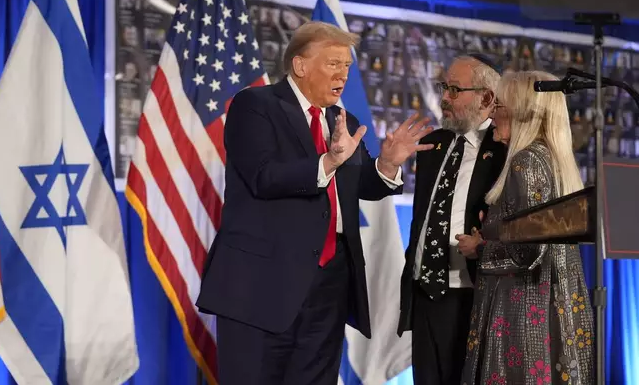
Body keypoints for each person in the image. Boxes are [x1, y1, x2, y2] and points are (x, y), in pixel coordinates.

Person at [195, 21, 433, 385]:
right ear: (301, 65)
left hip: (330, 284)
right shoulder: (255, 105)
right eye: (333, 63)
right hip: (262, 283)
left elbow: (359, 184)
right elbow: (264, 176)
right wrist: (330, 161)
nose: (343, 75)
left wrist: (387, 163)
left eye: (347, 66)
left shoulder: (344, 120)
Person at [460, 70, 594, 384]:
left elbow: (530, 249)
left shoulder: (527, 162)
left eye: (499, 106)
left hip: (526, 306)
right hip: (550, 298)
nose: (491, 114)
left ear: (523, 115)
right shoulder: (549, 157)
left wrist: (479, 247)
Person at [398, 54, 507, 385]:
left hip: (472, 296)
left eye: (454, 90)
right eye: (444, 87)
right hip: (425, 292)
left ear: (486, 98)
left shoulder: (504, 150)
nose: (444, 97)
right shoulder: (433, 143)